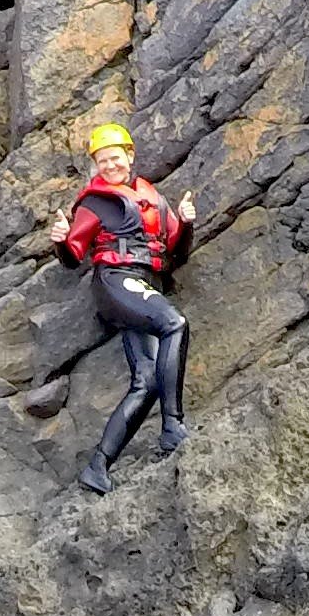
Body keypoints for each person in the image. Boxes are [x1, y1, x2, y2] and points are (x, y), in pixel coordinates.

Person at [53, 122, 188, 494]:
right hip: (116, 280)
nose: (109, 166)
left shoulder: (152, 197)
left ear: (130, 155)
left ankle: (97, 468)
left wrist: (187, 222)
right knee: (174, 324)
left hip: (145, 283)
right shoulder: (97, 202)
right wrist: (61, 242)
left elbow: (177, 250)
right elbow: (72, 257)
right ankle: (173, 427)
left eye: (114, 157)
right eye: (101, 160)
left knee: (147, 380)